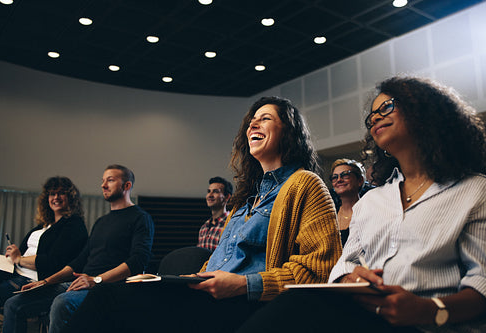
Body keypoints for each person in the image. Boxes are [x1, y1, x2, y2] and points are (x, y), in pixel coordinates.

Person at [60, 96, 342, 333]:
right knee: (111, 295)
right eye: (251, 120)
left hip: (246, 304)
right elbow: (222, 260)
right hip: (207, 295)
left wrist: (243, 285)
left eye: (265, 118)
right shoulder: (245, 199)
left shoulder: (305, 184)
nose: (253, 123)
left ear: (289, 130)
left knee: (108, 300)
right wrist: (187, 279)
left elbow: (320, 271)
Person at [235, 76, 486, 332]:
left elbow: (484, 281)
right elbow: (344, 264)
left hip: (430, 324)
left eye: (386, 107)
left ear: (426, 111)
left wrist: (428, 309)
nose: (376, 118)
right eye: (372, 117)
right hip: (367, 315)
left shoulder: (476, 191)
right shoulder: (372, 201)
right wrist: (350, 278)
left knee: (297, 306)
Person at [2, 165, 154, 333]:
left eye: (110, 180)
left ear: (127, 186)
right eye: (103, 181)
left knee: (62, 303)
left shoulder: (141, 218)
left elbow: (137, 262)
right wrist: (46, 282)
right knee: (14, 304)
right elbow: (80, 260)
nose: (103, 185)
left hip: (109, 288)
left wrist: (96, 280)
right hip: (81, 284)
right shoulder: (101, 222)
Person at [0, 177, 88, 317]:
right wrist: (13, 255)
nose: (56, 197)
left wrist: (18, 259)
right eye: (52, 194)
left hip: (33, 279)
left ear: (71, 198)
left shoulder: (74, 225)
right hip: (14, 272)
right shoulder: (42, 227)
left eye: (61, 193)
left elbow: (52, 262)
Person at [329, 158, 367, 245]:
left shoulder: (370, 209)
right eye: (335, 177)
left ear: (360, 180)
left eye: (345, 175)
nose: (339, 180)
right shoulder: (330, 214)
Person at [197, 176, 233, 251]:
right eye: (209, 191)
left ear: (227, 197)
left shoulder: (231, 224)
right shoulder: (204, 227)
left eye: (216, 191)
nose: (210, 195)